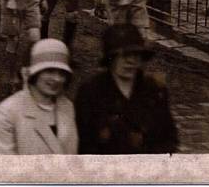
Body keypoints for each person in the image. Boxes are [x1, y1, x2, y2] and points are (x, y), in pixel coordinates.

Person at [75, 24, 178, 154]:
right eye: (124, 55)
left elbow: (169, 139)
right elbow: (84, 145)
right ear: (110, 59)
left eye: (136, 54)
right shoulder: (91, 92)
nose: (131, 61)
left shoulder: (154, 91)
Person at [0, 39, 78, 155]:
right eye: (49, 71)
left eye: (62, 73)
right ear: (34, 73)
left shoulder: (67, 107)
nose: (57, 79)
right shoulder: (8, 112)